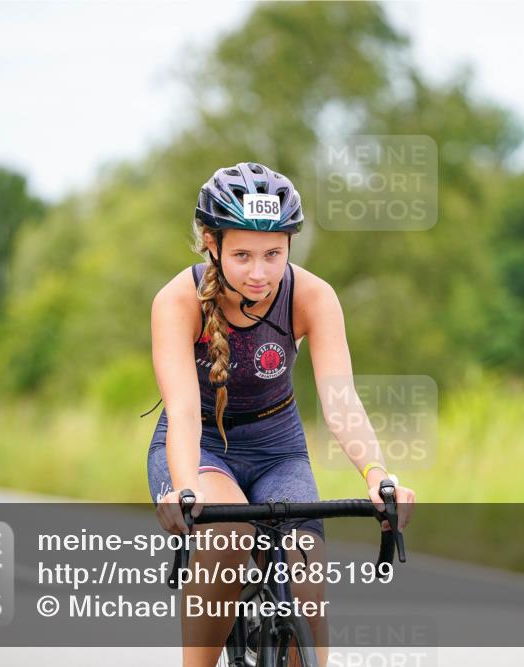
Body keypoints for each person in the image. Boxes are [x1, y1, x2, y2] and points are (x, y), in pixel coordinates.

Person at [146, 162, 416, 667]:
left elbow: (340, 400)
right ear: (212, 243)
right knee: (228, 539)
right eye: (243, 254)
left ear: (290, 245)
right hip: (200, 448)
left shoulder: (313, 296)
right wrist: (185, 488)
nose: (259, 272)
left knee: (307, 581)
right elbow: (182, 411)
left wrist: (379, 476)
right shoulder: (176, 301)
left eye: (274, 254)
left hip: (277, 450)